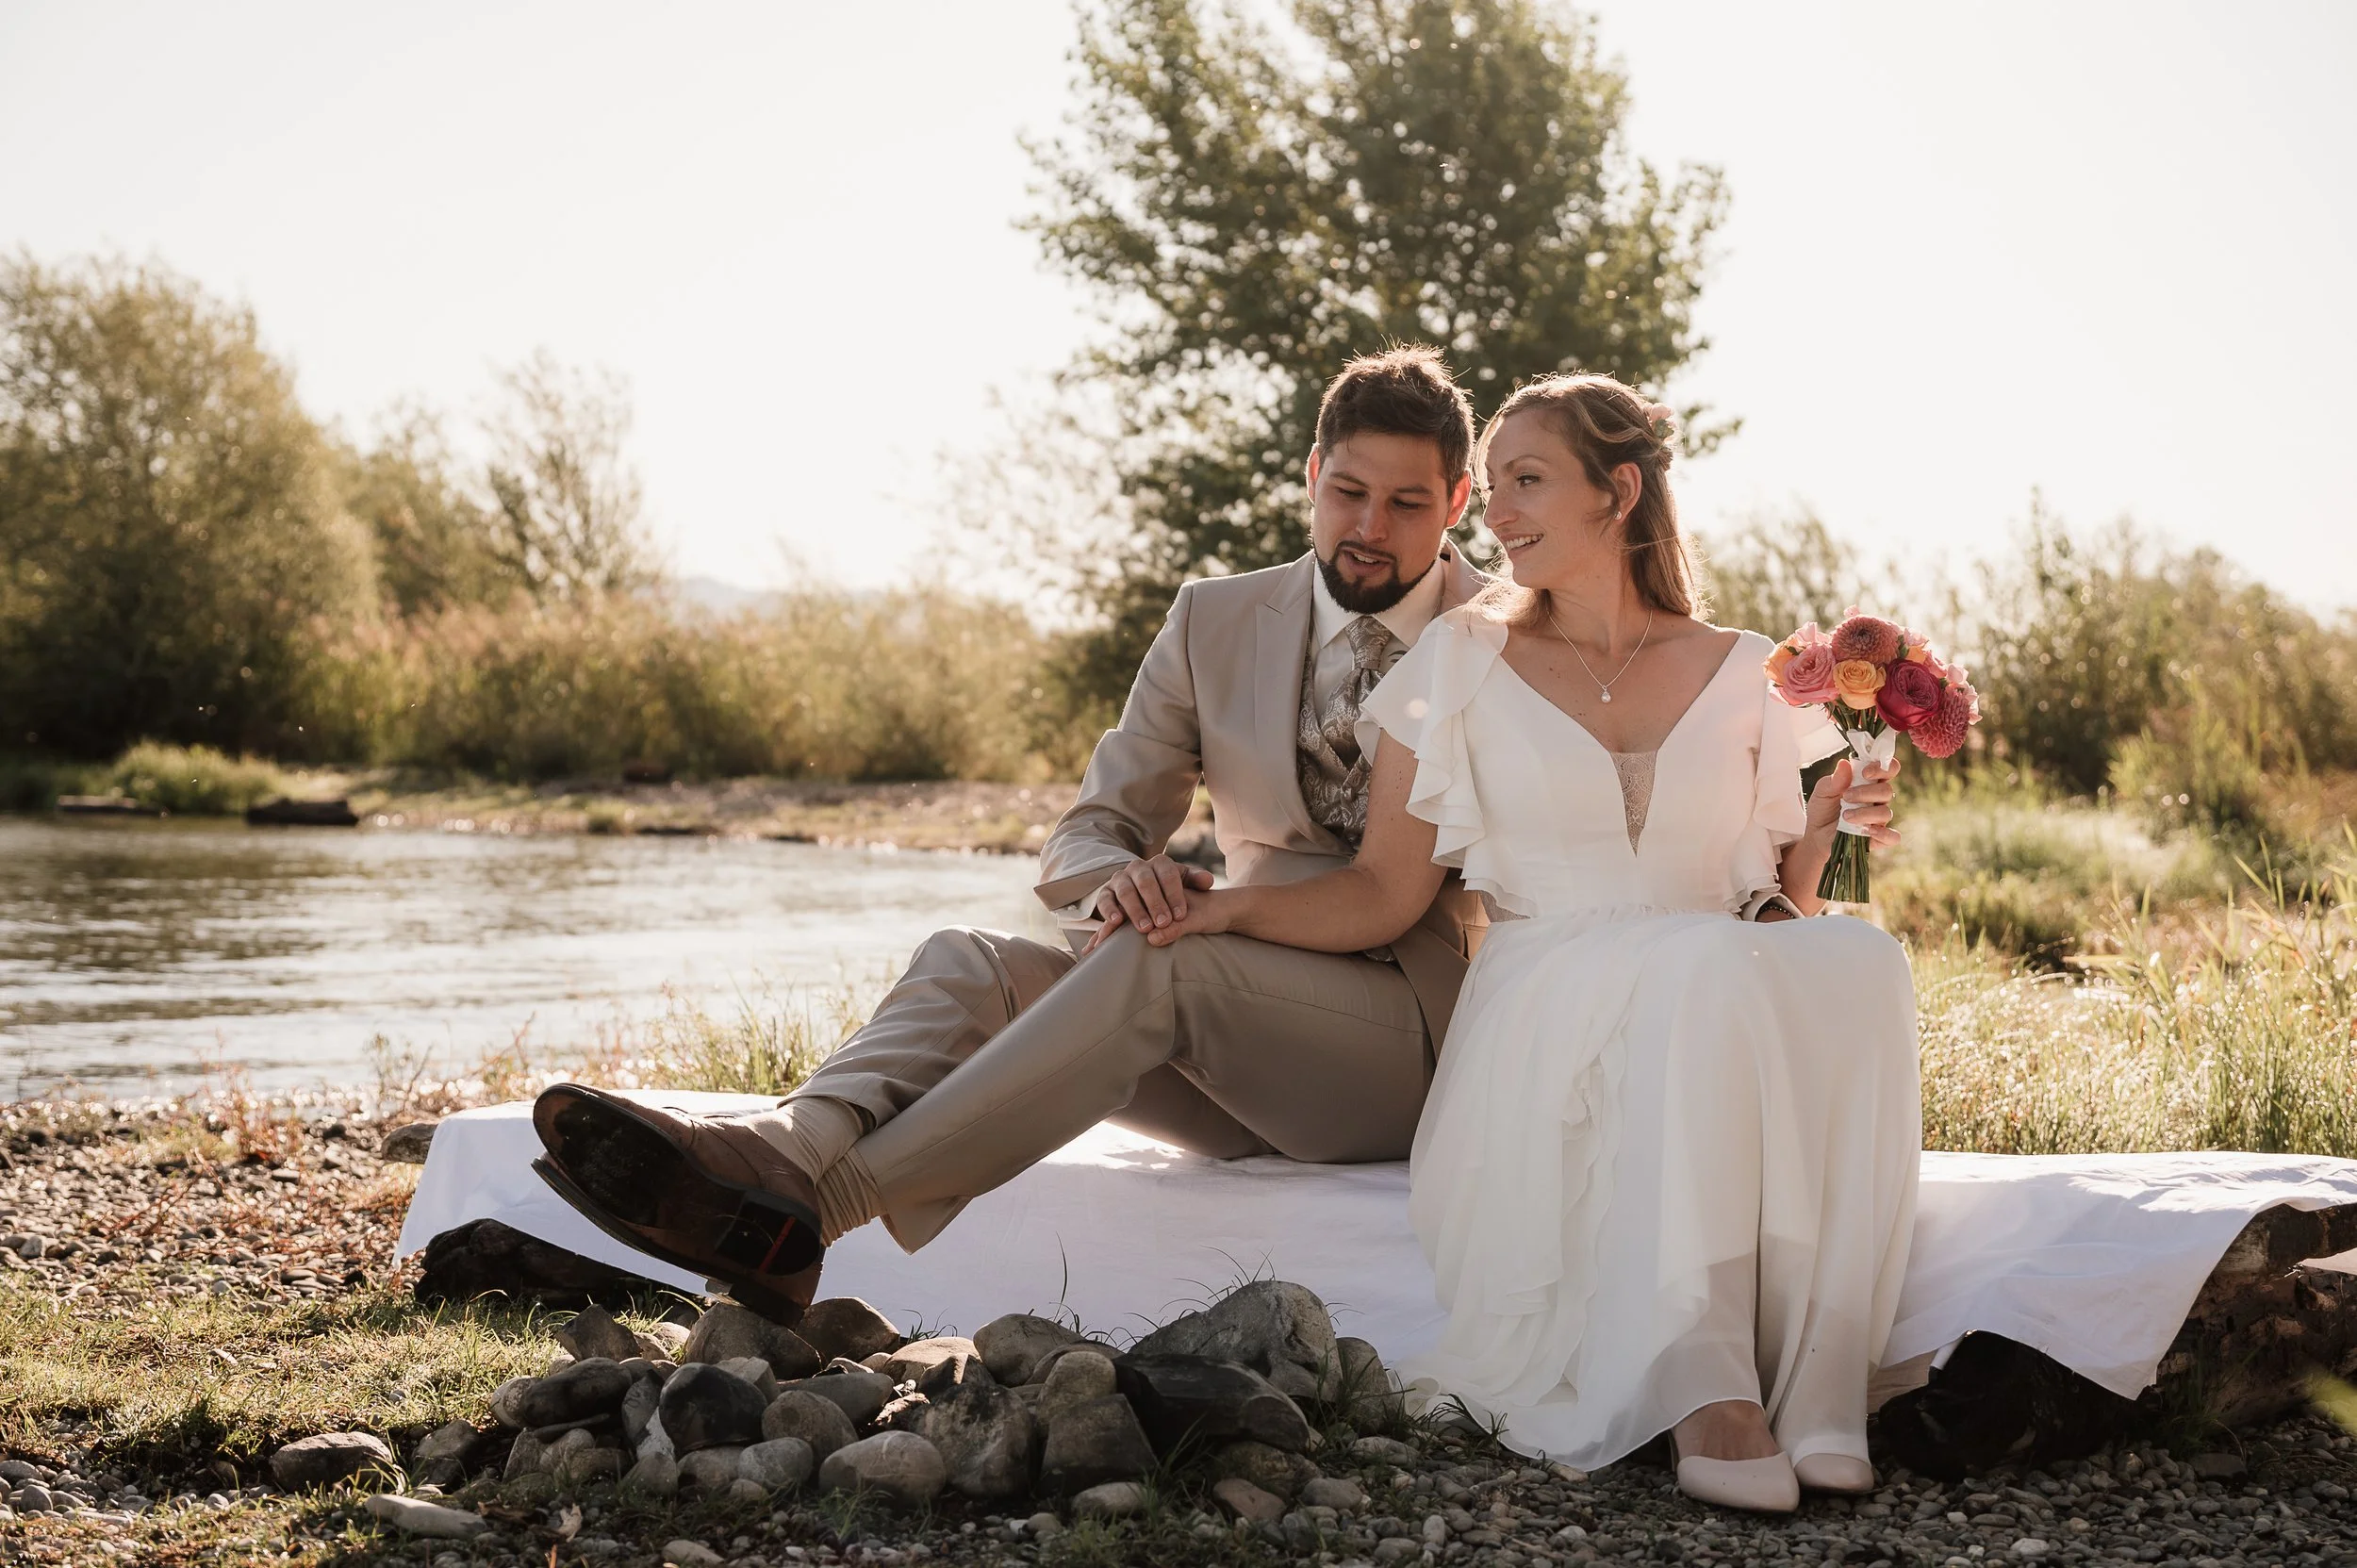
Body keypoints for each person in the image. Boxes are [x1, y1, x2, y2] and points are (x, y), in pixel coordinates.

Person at [525, 346, 1494, 1321]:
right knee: (970, 961)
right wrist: (1121, 881)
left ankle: (816, 1215)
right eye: (1349, 492)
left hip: (1402, 1047)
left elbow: (1389, 893)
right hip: (1226, 1055)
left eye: (1407, 505)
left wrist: (1205, 914)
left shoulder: (1497, 637)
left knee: (1167, 963)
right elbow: (1094, 826)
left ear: (1455, 502)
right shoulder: (1214, 617)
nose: (1370, 528)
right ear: (1311, 474)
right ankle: (786, 1146)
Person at [1131, 372, 1920, 1512]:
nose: (1492, 515)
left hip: (1709, 979)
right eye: (1491, 489)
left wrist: (1840, 819)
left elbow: (1778, 908)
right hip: (1547, 990)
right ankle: (1710, 1389)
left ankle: (1824, 1385)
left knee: (1860, 957)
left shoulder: (1751, 668)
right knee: (1704, 968)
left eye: (1524, 482)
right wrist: (1217, 905)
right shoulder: (1457, 661)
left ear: (1620, 490)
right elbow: (1380, 891)